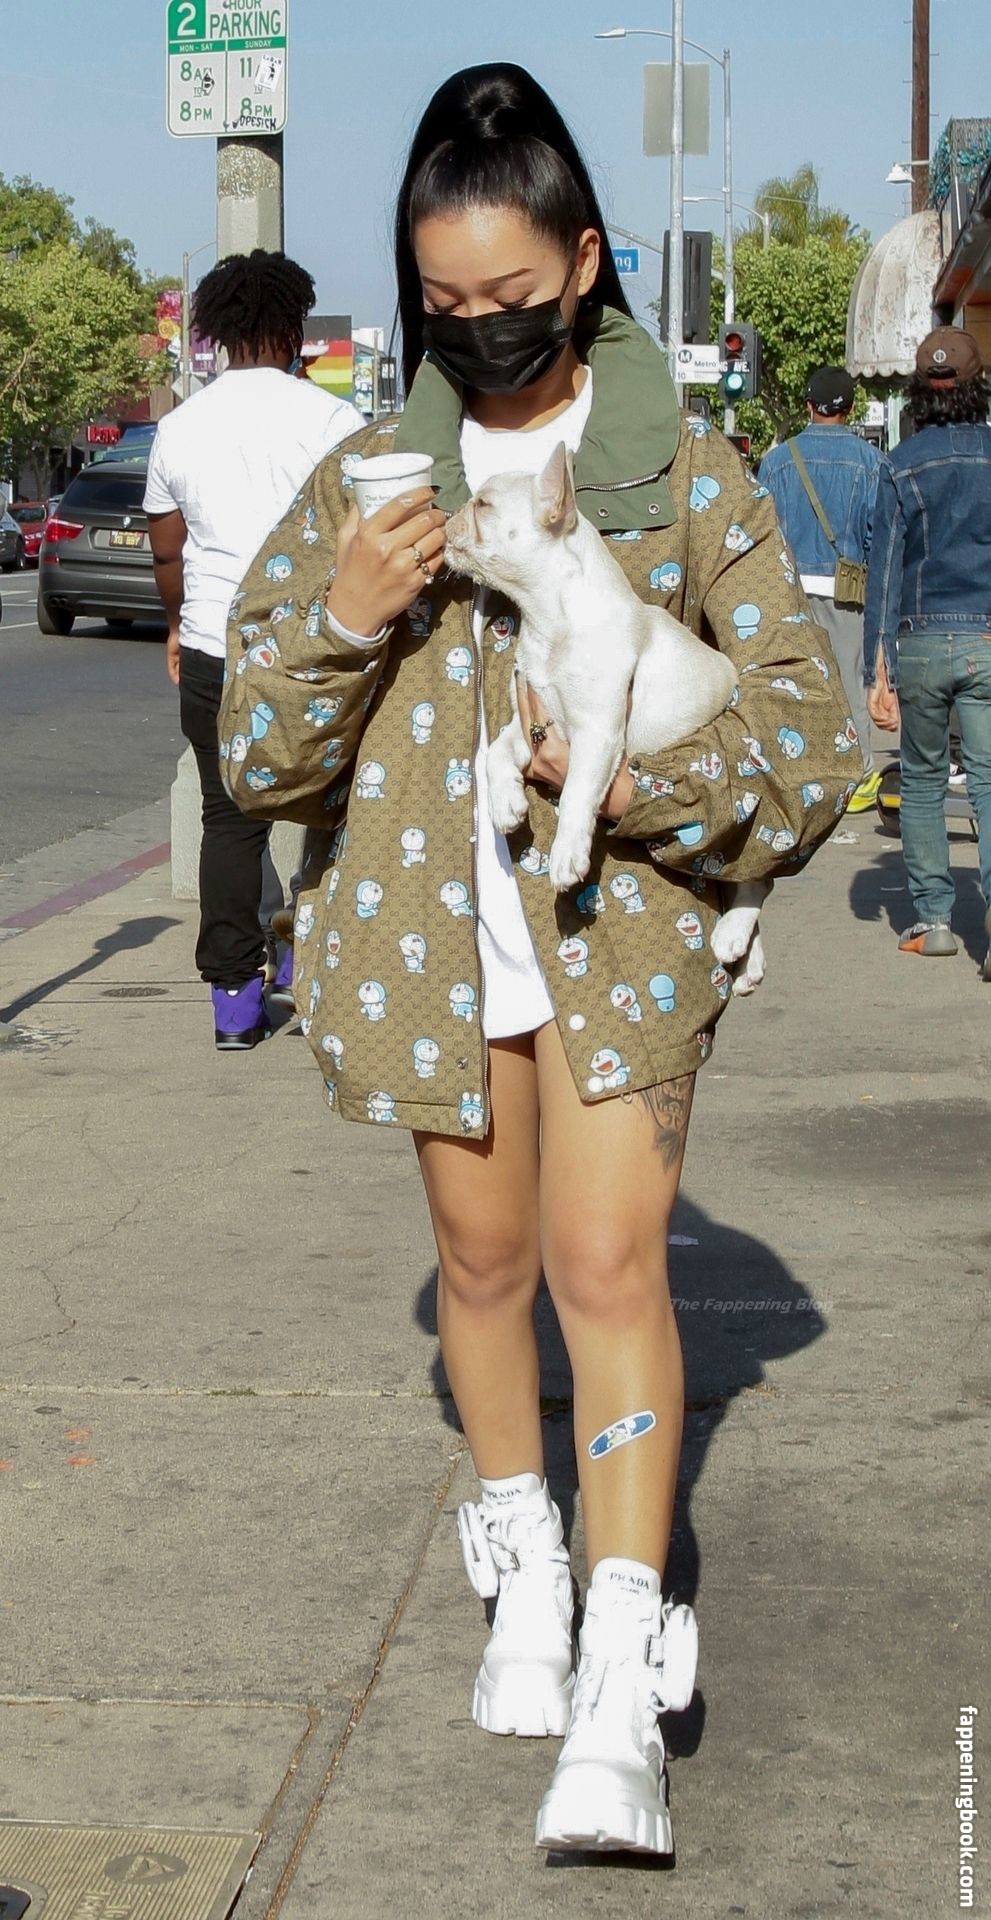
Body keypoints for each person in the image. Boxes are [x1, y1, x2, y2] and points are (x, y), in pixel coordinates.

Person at [220, 64, 855, 1856]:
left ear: (583, 264)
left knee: (602, 1260)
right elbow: (256, 759)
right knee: (482, 1268)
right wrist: (345, 615)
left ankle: (621, 1677)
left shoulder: (685, 474)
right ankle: (525, 1563)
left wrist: (642, 788)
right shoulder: (370, 482)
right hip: (429, 949)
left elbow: (810, 746)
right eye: (445, 300)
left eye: (511, 290)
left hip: (622, 940)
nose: (481, 324)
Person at [144, 250, 363, 1048]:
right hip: (314, 647)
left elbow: (167, 551)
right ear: (294, 328)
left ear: (215, 331)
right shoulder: (333, 423)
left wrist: (177, 624)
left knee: (228, 817)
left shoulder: (179, 427)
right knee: (333, 809)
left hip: (216, 646)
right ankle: (311, 966)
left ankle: (234, 1003)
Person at [864, 327, 991, 971]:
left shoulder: (901, 462)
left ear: (921, 391)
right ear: (978, 388)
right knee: (990, 779)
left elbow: (884, 572)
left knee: (920, 780)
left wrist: (877, 668)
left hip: (917, 641)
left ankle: (934, 919)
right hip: (986, 639)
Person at [759, 366, 881, 813]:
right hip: (846, 587)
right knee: (849, 677)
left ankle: (795, 769)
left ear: (808, 405)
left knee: (793, 678)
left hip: (788, 584)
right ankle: (859, 776)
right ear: (850, 408)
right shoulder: (871, 462)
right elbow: (877, 534)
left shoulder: (777, 461)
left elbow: (761, 529)